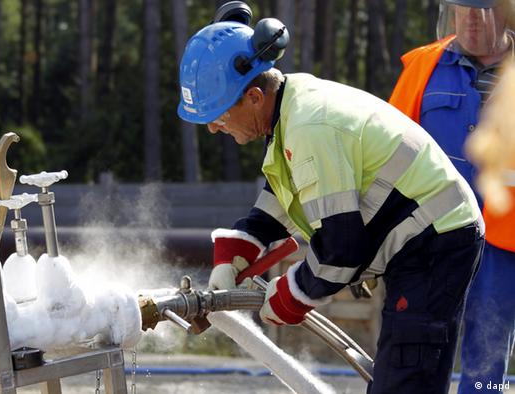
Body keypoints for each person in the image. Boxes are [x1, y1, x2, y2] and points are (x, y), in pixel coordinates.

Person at [178, 18, 484, 394]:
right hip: (424, 234)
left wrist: (293, 293)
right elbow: (288, 193)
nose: (213, 128)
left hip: (436, 239)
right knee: (401, 369)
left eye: (218, 115)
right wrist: (243, 243)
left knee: (407, 374)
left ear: (254, 97)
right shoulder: (291, 107)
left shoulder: (310, 125)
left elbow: (341, 251)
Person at [389, 1, 515, 392]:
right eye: (464, 8)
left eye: (484, 9)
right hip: (431, 237)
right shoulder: (422, 68)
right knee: (416, 347)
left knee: (486, 358)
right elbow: (386, 150)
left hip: (503, 243)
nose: (473, 20)